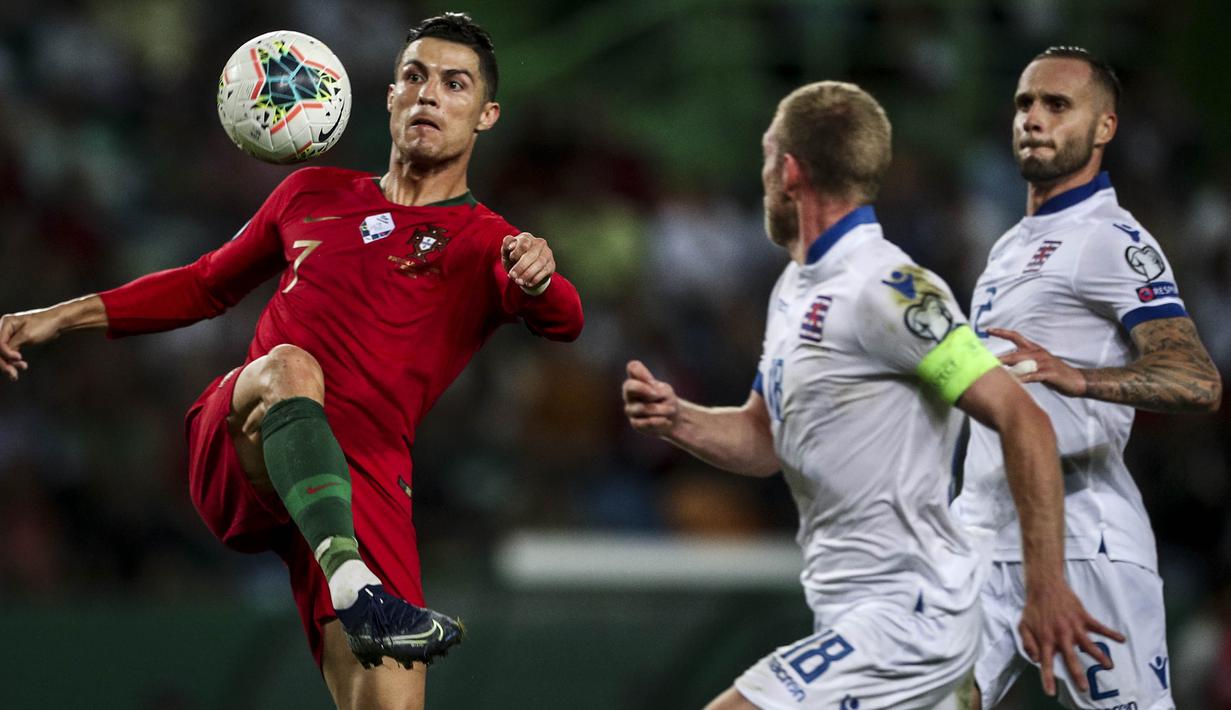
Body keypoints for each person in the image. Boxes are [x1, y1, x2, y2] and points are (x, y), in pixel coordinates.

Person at [0, 12, 582, 710]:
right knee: (289, 367)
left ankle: (351, 578)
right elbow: (203, 284)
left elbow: (565, 320)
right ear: (389, 96)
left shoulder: (491, 242)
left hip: (365, 476)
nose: (428, 94)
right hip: (242, 434)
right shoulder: (311, 193)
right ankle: (349, 577)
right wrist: (60, 314)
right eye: (413, 77)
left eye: (453, 84)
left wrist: (542, 280)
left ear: (484, 114)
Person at [623, 80, 1118, 710]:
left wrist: (1045, 587)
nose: (765, 176)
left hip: (908, 615)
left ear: (790, 169)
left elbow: (1023, 419)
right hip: (847, 611)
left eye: (768, 157)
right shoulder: (793, 288)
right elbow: (762, 441)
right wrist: (678, 419)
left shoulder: (890, 288)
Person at [953, 46, 1222, 709]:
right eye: (1023, 103)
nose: (1033, 119)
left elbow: (1195, 379)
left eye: (1056, 105)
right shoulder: (1007, 247)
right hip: (980, 543)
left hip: (1084, 544)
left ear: (1103, 128)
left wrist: (1081, 377)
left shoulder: (1109, 238)